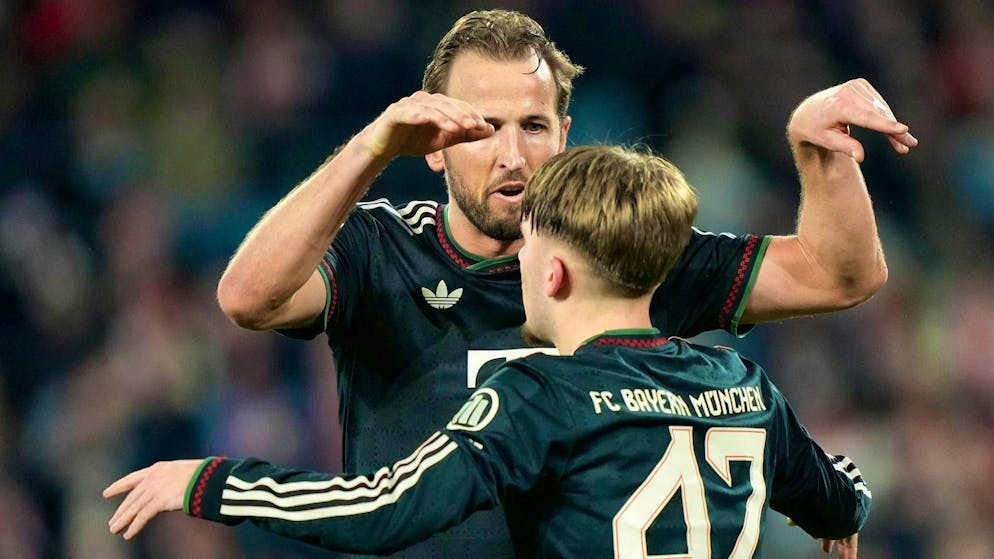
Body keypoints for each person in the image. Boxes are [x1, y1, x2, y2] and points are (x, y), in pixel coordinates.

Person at [211, 9, 913, 558]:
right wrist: (368, 149)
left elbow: (840, 274)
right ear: (429, 139)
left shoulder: (628, 251)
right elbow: (249, 297)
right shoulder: (379, 246)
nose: (512, 154)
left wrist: (823, 155)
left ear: (566, 135)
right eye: (482, 128)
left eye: (534, 126)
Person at [105, 145, 870, 558]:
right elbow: (840, 496)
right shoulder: (745, 385)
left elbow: (383, 507)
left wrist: (212, 482)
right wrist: (842, 511)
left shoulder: (542, 393)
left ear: (557, 270)